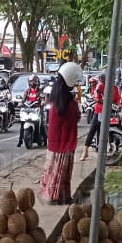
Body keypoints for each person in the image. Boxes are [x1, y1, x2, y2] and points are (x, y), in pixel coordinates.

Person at [41, 63, 83, 204]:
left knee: (53, 169)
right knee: (64, 172)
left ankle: (53, 194)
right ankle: (60, 196)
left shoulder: (53, 97)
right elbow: (76, 117)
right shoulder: (70, 103)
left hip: (54, 142)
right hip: (66, 142)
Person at [81, 77, 121, 161]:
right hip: (99, 110)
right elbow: (96, 96)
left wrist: (118, 105)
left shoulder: (115, 88)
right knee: (93, 129)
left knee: (119, 125)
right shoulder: (100, 86)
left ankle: (117, 147)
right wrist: (100, 100)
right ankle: (85, 151)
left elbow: (118, 99)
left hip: (111, 111)